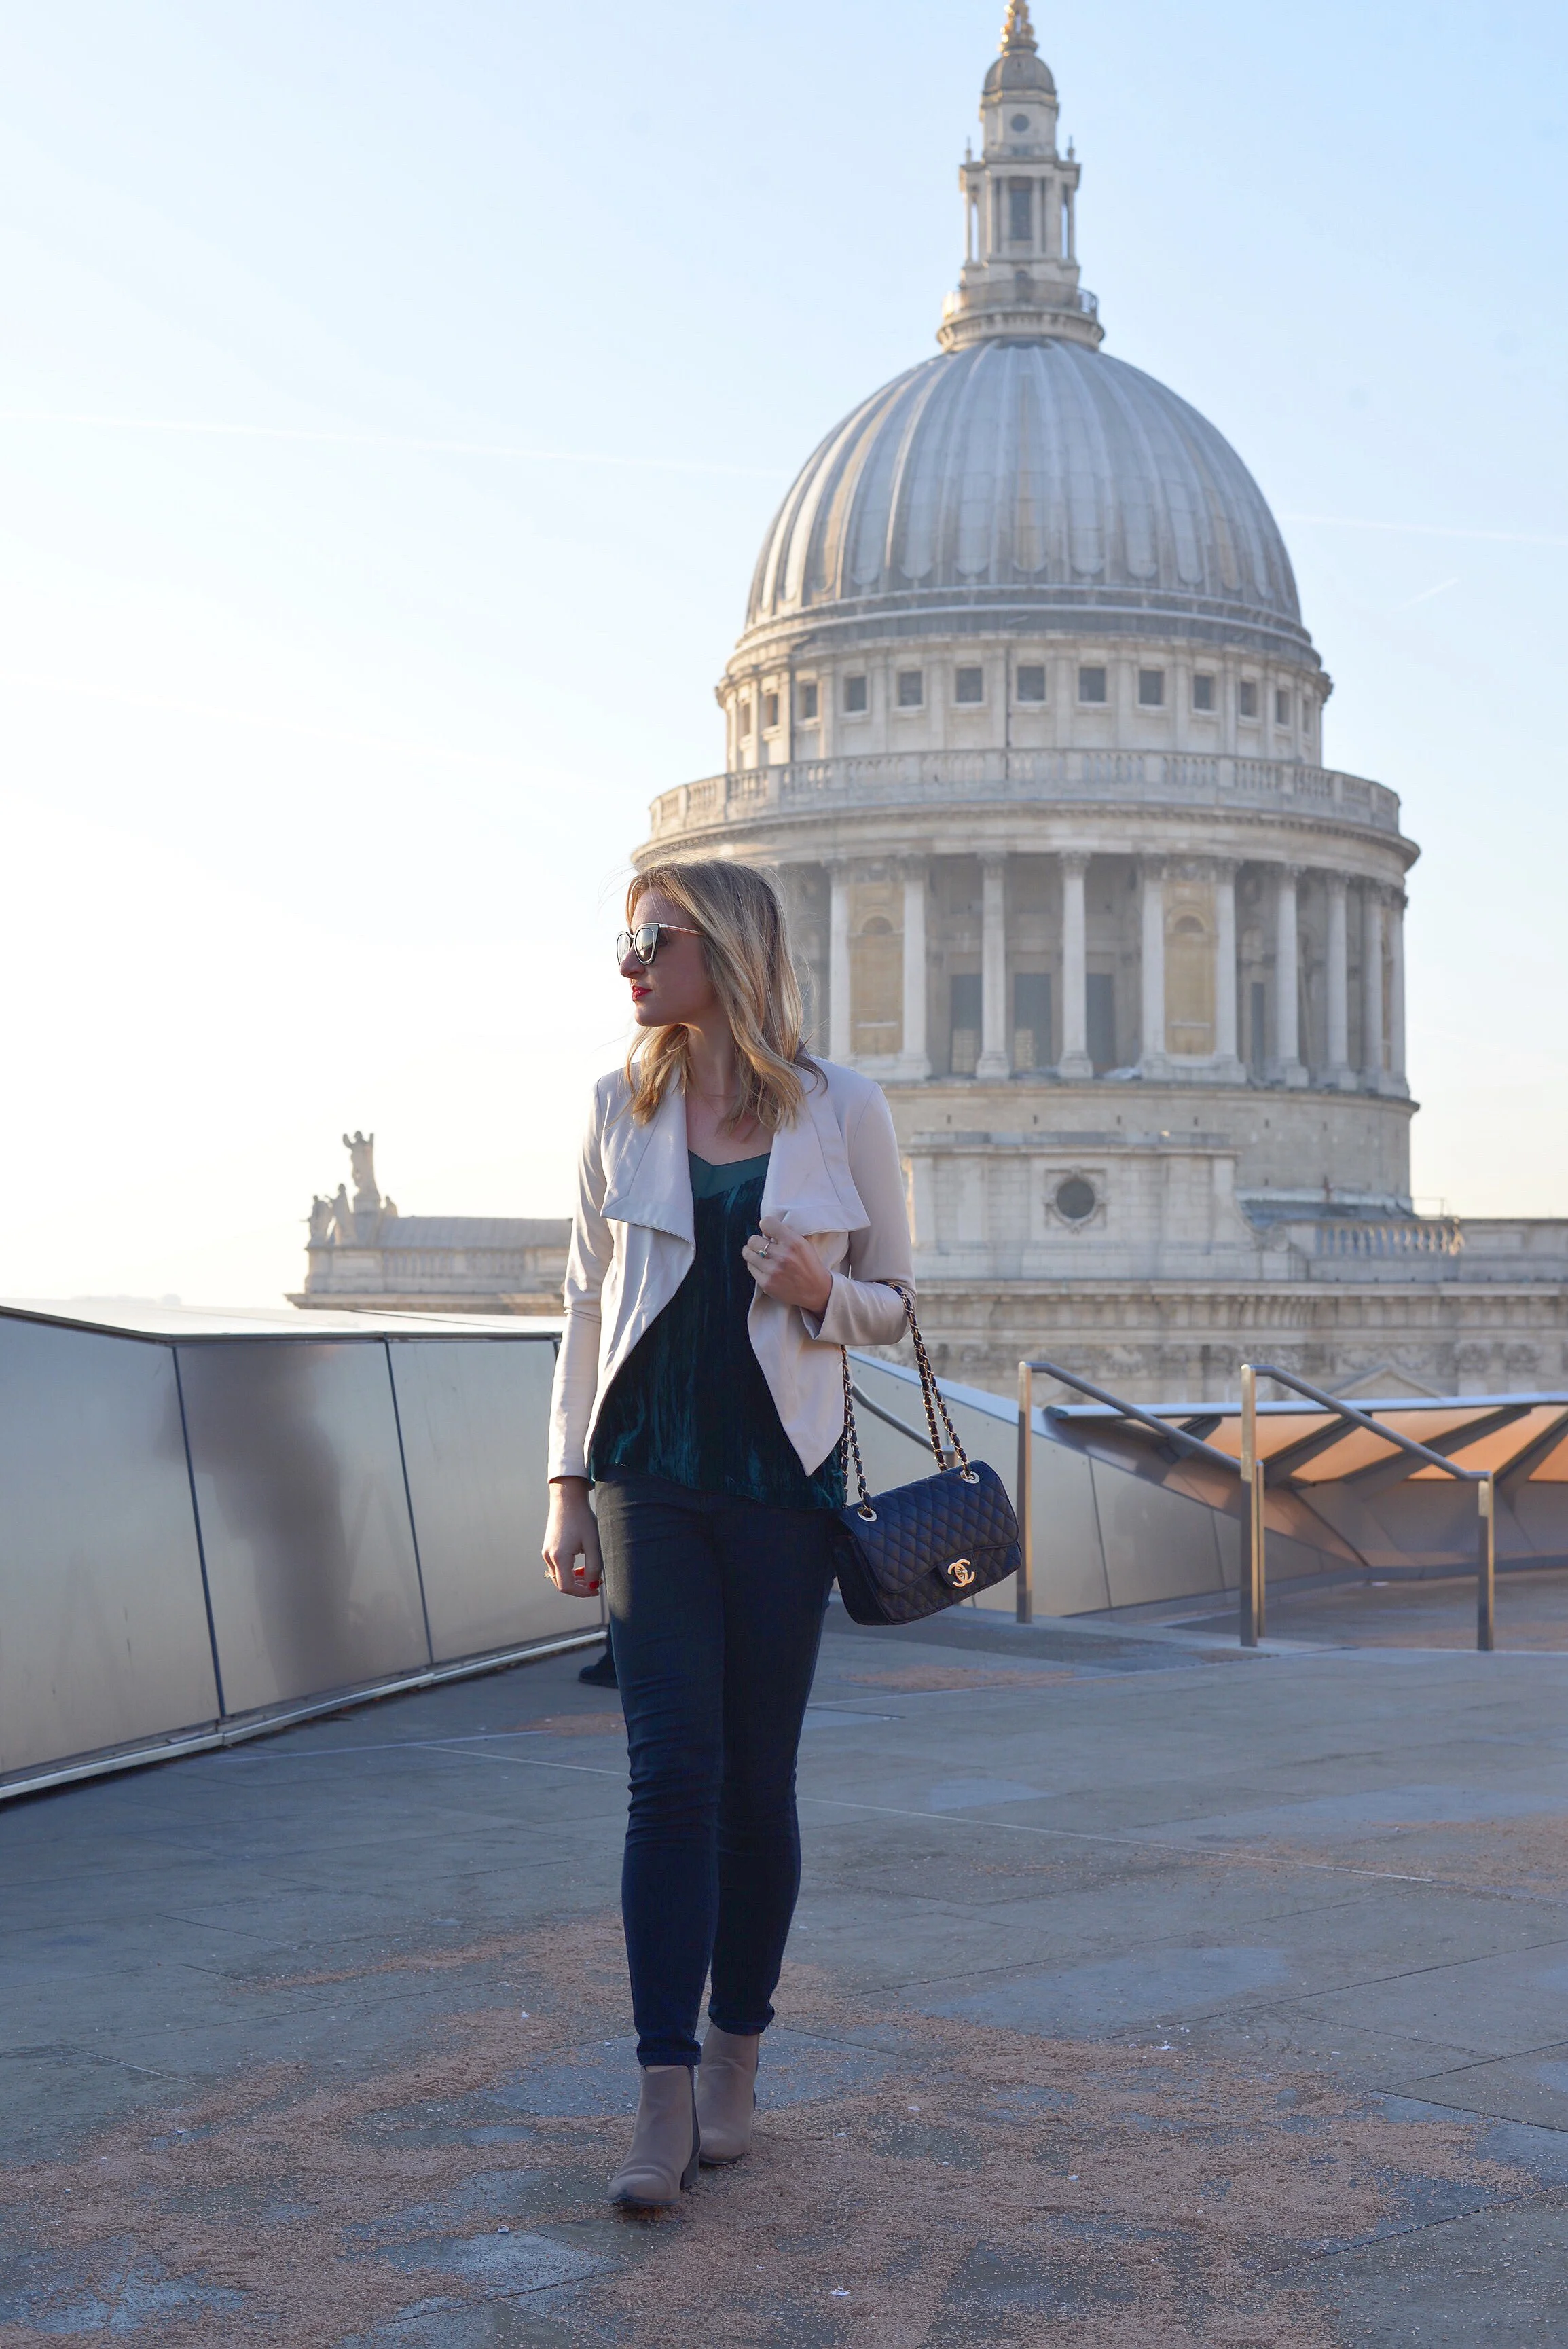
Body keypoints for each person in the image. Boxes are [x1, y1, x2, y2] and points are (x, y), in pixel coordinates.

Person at [541, 858, 913, 2208]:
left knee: (757, 1786)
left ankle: (733, 2056)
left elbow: (897, 1304)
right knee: (667, 1780)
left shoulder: (842, 1109)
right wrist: (565, 1486)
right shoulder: (617, 1105)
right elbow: (585, 1305)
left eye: (653, 939)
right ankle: (659, 2095)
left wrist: (821, 1288)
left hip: (779, 1484)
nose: (628, 964)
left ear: (730, 951)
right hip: (646, 1474)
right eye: (626, 938)